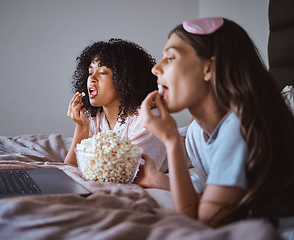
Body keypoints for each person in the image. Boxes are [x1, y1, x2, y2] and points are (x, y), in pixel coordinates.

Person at [135, 17, 294, 231]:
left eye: (171, 57)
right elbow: (206, 199)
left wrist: (171, 140)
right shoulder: (195, 133)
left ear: (208, 68)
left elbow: (202, 221)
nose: (156, 68)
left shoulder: (238, 127)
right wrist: (156, 179)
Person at [65, 38, 167, 172]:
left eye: (102, 73)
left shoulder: (146, 118)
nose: (92, 78)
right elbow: (70, 168)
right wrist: (81, 127)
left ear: (125, 79)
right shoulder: (94, 117)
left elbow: (129, 172)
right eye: (90, 72)